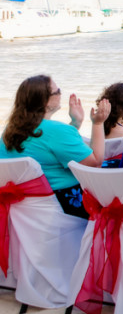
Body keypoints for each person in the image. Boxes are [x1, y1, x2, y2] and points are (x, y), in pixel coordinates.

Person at [0, 75, 110, 218]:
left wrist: (75, 123)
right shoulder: (58, 130)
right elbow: (95, 163)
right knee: (117, 165)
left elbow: (47, 148)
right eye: (57, 91)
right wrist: (98, 123)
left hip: (25, 207)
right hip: (63, 204)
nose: (60, 94)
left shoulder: (10, 129)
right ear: (44, 101)